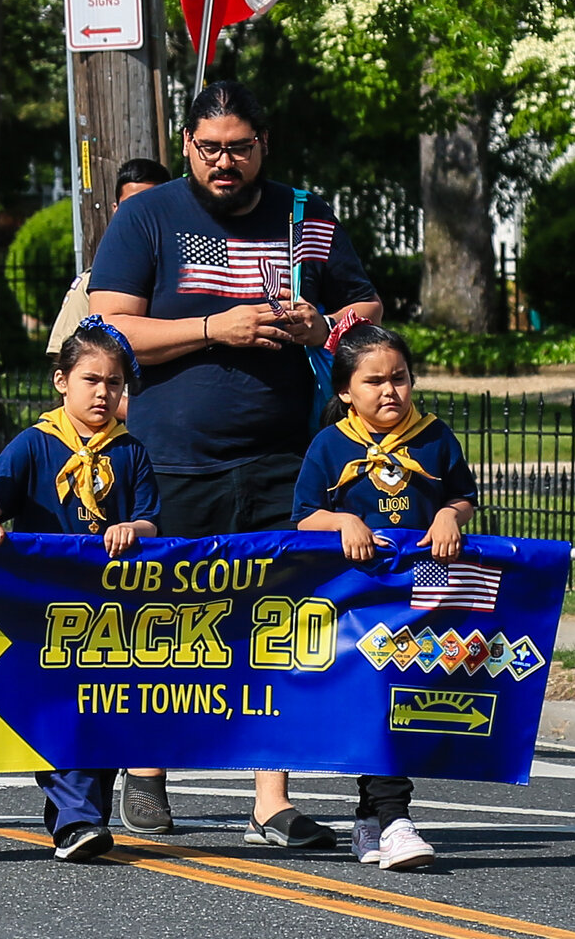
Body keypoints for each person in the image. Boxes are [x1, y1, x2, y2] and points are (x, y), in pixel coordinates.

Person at [89, 80, 383, 842]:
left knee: (278, 621)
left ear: (263, 147)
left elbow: (364, 309)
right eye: (210, 148)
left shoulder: (303, 214)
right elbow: (110, 325)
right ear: (187, 144)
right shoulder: (146, 215)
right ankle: (146, 774)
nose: (225, 162)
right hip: (174, 455)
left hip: (288, 453)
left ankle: (270, 800)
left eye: (240, 149)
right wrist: (217, 328)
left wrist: (323, 322)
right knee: (169, 614)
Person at [0, 317, 160, 863]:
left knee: (102, 709)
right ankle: (77, 818)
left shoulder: (130, 452)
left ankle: (80, 818)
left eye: (115, 384)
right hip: (44, 605)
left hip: (110, 607)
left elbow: (151, 519)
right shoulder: (35, 443)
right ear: (62, 382)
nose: (104, 393)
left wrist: (135, 530)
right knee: (58, 708)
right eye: (91, 380)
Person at [293, 320, 476, 869]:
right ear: (346, 390)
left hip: (425, 589)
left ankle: (370, 822)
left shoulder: (435, 437)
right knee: (377, 699)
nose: (390, 390)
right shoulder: (330, 446)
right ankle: (397, 820)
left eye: (399, 378)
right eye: (374, 381)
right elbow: (303, 518)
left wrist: (448, 514)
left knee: (405, 703)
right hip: (363, 593)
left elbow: (464, 495)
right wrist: (342, 521)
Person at [45, 158, 172, 359]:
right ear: (116, 210)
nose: (141, 217)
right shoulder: (91, 284)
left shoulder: (192, 276)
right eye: (131, 208)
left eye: (152, 207)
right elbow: (65, 362)